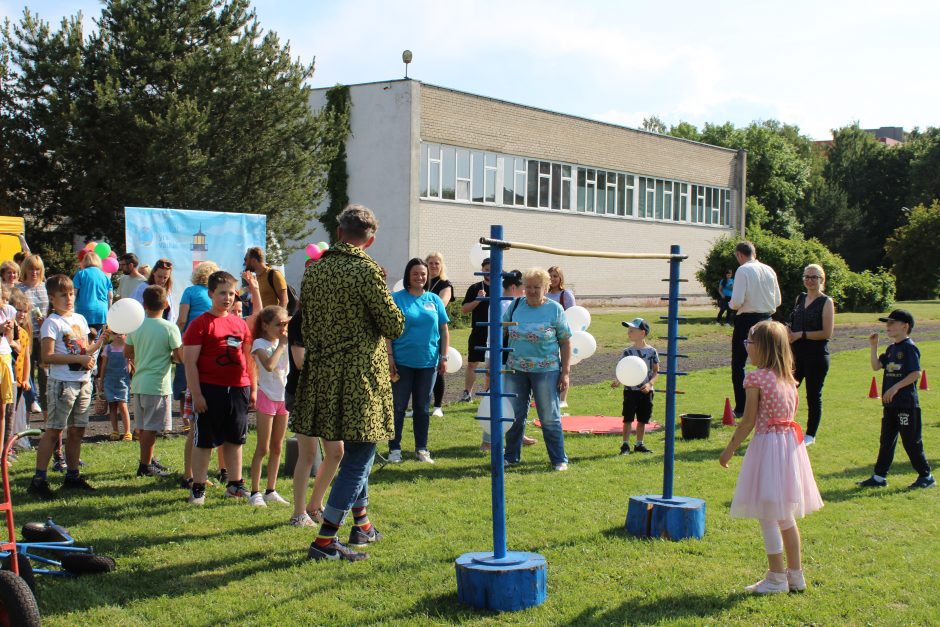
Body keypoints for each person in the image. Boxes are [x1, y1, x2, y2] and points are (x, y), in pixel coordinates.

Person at [293, 204, 404, 561]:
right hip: (359, 377)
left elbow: (305, 326)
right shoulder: (367, 271)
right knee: (360, 455)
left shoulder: (314, 271)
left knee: (355, 451)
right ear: (369, 240)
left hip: (323, 372)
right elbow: (394, 325)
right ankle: (325, 541)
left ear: (339, 232)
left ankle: (363, 525)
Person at [719, 320, 823, 594]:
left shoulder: (755, 378)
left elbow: (748, 420)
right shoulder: (789, 379)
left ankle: (777, 577)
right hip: (789, 448)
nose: (746, 348)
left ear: (762, 347)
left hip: (768, 446)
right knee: (785, 515)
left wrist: (729, 449)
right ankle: (795, 575)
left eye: (749, 343)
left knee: (767, 513)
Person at [28, 275, 108, 499]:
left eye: (72, 293)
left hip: (83, 382)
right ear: (52, 298)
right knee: (54, 430)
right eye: (63, 294)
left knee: (77, 430)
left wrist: (102, 340)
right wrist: (80, 360)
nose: (69, 298)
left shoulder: (81, 319)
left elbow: (84, 351)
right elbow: (47, 356)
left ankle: (72, 476)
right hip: (62, 383)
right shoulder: (52, 323)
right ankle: (39, 479)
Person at [183, 271, 255, 504]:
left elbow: (248, 358)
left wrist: (252, 388)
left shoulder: (239, 324)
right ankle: (198, 487)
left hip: (238, 388)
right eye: (222, 293)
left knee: (236, 439)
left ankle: (235, 484)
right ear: (211, 293)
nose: (227, 298)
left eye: (231, 294)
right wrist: (197, 394)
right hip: (209, 389)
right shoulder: (200, 324)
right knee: (204, 440)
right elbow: (190, 362)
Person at [503, 267, 571, 471]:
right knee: (514, 415)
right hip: (516, 369)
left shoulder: (554, 309)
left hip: (546, 370)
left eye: (537, 287)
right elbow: (502, 331)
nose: (532, 291)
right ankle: (511, 456)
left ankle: (559, 459)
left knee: (549, 415)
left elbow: (565, 341)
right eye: (528, 286)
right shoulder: (515, 306)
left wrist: (565, 372)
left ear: (546, 287)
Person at [857, 310, 934, 489]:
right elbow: (876, 366)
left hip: (906, 405)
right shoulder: (891, 348)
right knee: (886, 440)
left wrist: (895, 387)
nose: (888, 326)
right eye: (887, 323)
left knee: (911, 441)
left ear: (905, 326)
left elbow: (916, 373)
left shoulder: (909, 347)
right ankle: (879, 477)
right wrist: (874, 346)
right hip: (890, 405)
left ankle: (926, 476)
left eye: (892, 323)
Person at [286, 304, 345, 528]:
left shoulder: (332, 315)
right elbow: (300, 361)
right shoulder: (301, 319)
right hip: (303, 392)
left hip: (328, 392)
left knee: (336, 452)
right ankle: (298, 513)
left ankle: (314, 506)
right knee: (308, 454)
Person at [387, 258, 449, 464]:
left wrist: (444, 356)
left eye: (423, 274)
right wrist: (389, 357)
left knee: (422, 407)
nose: (420, 277)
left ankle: (421, 449)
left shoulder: (434, 300)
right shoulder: (396, 298)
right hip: (402, 362)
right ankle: (394, 449)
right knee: (398, 407)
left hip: (428, 363)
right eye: (416, 274)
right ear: (408, 276)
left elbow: (443, 330)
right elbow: (387, 332)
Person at [126, 285, 183, 477]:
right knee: (151, 429)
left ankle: (147, 461)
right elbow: (179, 356)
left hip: (140, 382)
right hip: (157, 385)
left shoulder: (136, 325)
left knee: (143, 427)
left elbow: (127, 352)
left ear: (144, 305)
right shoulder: (169, 328)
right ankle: (145, 466)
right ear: (166, 304)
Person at [479, 270, 536, 452]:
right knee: (499, 397)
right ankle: (488, 440)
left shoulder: (508, 303)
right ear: (513, 287)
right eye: (523, 288)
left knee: (516, 398)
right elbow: (501, 333)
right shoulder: (506, 304)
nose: (526, 291)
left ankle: (518, 433)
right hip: (502, 356)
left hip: (509, 355)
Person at [729, 241, 781, 417]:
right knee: (769, 363)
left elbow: (736, 301)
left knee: (739, 363)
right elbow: (778, 301)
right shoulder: (769, 270)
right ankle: (769, 403)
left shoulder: (743, 270)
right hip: (768, 319)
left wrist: (730, 304)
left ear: (739, 255)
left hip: (747, 320)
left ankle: (742, 407)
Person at [248, 305, 292, 507]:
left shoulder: (284, 341)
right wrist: (282, 345)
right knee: (263, 448)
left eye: (285, 325)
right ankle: (255, 492)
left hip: (283, 398)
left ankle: (271, 490)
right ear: (265, 326)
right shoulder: (260, 343)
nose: (283, 329)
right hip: (267, 396)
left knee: (277, 446)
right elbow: (269, 365)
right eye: (278, 325)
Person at [786, 264, 835, 446]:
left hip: (816, 355)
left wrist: (801, 334)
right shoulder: (800, 298)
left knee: (813, 395)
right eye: (806, 276)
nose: (809, 280)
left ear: (821, 280)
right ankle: (784, 426)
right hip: (796, 354)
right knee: (788, 391)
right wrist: (789, 331)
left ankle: (810, 434)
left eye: (814, 277)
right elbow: (792, 321)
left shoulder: (826, 302)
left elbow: (826, 333)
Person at [175, 261, 219, 429]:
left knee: (185, 375)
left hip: (191, 339)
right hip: (210, 339)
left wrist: (177, 339)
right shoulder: (213, 293)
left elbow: (182, 319)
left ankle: (187, 418)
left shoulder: (189, 291)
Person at [612, 318, 659, 455]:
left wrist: (650, 384)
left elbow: (656, 372)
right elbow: (623, 370)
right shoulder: (627, 352)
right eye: (628, 330)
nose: (629, 333)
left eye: (632, 330)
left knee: (642, 419)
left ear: (642, 333)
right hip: (630, 391)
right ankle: (625, 445)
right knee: (627, 418)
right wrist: (618, 380)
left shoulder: (652, 352)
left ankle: (639, 444)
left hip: (646, 392)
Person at [16, 254, 48, 415]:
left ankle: (47, 413)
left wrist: (46, 320)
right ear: (25, 269)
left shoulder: (45, 286)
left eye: (37, 269)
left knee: (45, 374)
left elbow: (51, 309)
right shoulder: (19, 289)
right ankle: (29, 405)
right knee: (25, 372)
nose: (34, 272)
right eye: (31, 269)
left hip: (43, 336)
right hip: (25, 336)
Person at [460, 258, 491, 402]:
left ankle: (488, 394)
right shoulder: (475, 288)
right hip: (478, 331)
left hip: (496, 333)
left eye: (493, 268)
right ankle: (467, 393)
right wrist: (478, 300)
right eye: (486, 269)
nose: (489, 272)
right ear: (482, 270)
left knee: (492, 365)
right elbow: (464, 310)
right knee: (472, 363)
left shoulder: (502, 288)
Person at [425, 252, 452, 417]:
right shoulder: (421, 281)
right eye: (431, 263)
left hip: (438, 330)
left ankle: (438, 406)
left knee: (438, 367)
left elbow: (442, 303)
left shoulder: (445, 284)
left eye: (437, 263)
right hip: (420, 332)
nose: (434, 266)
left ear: (441, 265)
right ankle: (420, 405)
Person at [547, 266, 576, 409]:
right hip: (547, 337)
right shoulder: (544, 295)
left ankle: (563, 399)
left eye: (555, 276)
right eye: (550, 276)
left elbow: (573, 315)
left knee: (564, 367)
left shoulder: (566, 294)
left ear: (560, 278)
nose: (552, 279)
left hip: (563, 336)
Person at [98, 331, 132, 441]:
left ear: (126, 334)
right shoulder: (108, 348)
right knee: (112, 406)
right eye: (116, 333)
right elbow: (103, 366)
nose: (118, 335)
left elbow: (130, 366)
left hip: (122, 381)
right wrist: (101, 382)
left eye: (121, 333)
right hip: (110, 380)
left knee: (123, 405)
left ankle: (127, 431)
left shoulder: (128, 348)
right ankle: (115, 430)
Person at [72, 252, 113, 333]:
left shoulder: (81, 274)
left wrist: (70, 310)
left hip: (83, 311)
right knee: (96, 340)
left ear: (84, 261)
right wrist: (109, 314)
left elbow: (73, 294)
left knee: (83, 340)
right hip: (101, 312)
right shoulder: (105, 276)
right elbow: (110, 297)